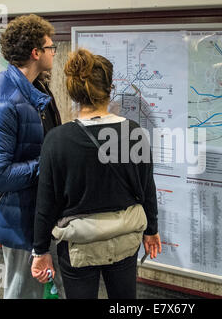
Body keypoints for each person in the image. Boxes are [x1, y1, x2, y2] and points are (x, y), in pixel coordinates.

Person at [31, 48, 162, 299]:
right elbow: (147, 188)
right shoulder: (133, 132)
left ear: (74, 91)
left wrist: (40, 251)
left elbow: (45, 203)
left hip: (78, 247)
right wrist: (151, 230)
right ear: (109, 88)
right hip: (124, 239)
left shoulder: (57, 140)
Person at [0, 14, 64, 299]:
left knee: (46, 290)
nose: (53, 53)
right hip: (20, 218)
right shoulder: (0, 102)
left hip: (38, 212)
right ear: (36, 53)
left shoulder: (36, 88)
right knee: (23, 292)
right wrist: (48, 167)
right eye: (51, 48)